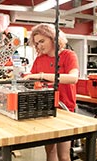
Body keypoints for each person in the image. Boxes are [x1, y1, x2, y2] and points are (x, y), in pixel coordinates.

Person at [23, 23, 79, 161]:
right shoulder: (39, 59)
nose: (39, 46)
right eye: (37, 43)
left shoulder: (68, 55)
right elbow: (30, 80)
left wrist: (42, 75)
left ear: (53, 38)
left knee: (64, 156)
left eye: (42, 41)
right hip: (46, 110)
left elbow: (73, 78)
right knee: (50, 152)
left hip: (65, 109)